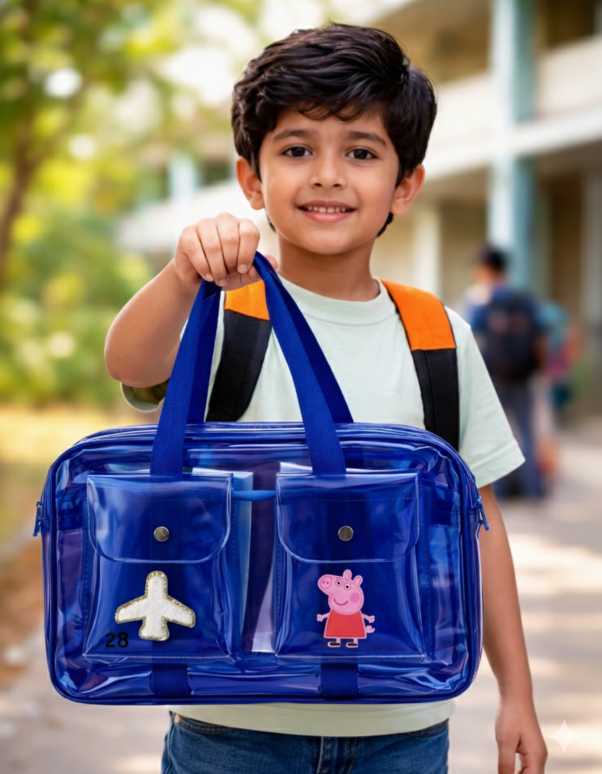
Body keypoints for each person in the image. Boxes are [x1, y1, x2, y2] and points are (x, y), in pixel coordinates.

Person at [105, 24, 547, 774]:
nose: (328, 176)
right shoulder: (223, 315)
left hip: (400, 716)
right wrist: (184, 274)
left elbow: (480, 523)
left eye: (362, 152)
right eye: (298, 148)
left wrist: (518, 694)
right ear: (252, 179)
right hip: (229, 717)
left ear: (405, 185)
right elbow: (130, 362)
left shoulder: (437, 336)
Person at [466, 245, 547, 501]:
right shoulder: (524, 299)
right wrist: (540, 370)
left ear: (484, 268)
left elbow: (470, 339)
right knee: (527, 430)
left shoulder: (480, 299)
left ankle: (499, 491)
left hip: (494, 375)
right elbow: (540, 338)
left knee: (495, 433)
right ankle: (533, 489)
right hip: (523, 374)